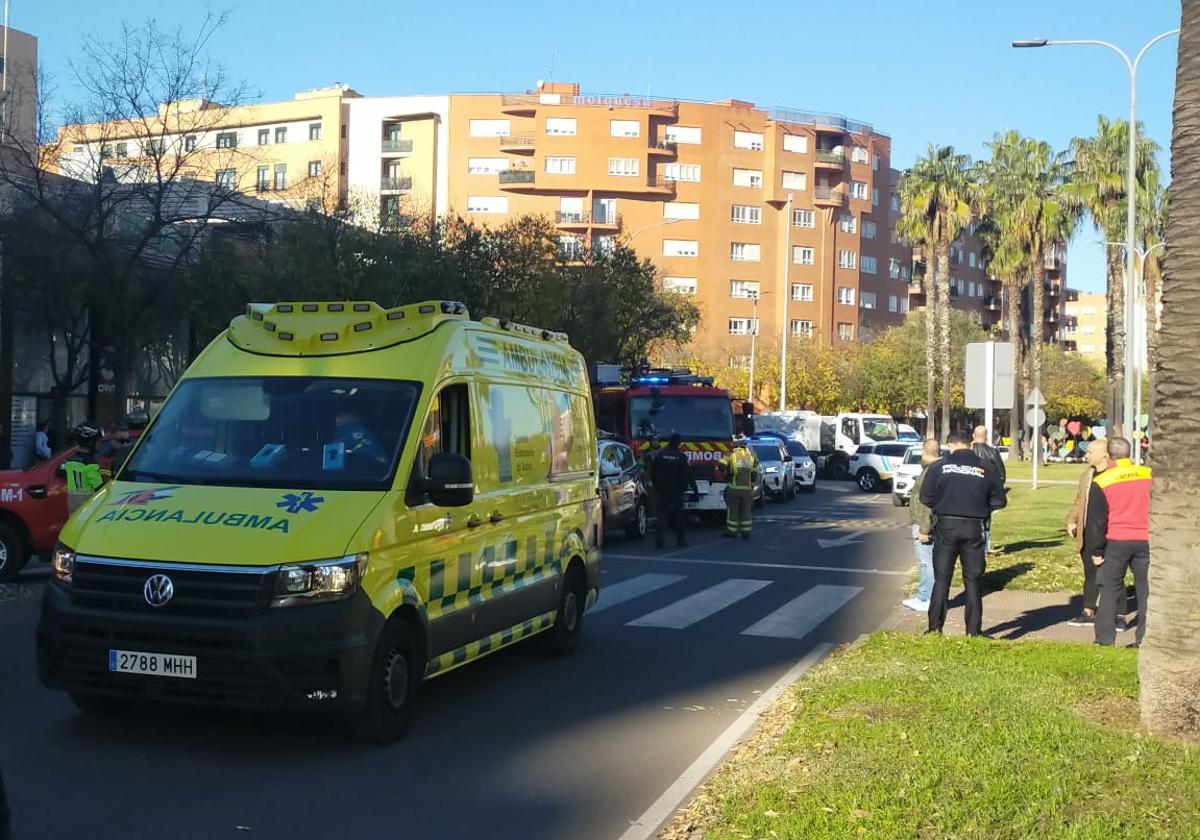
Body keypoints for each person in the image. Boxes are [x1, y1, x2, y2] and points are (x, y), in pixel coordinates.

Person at [920, 430, 1008, 636]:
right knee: (973, 580)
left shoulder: (938, 467)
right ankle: (973, 631)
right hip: (973, 527)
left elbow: (925, 497)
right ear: (970, 444)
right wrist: (982, 509)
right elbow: (1000, 501)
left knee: (942, 578)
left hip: (946, 526)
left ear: (950, 445)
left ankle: (934, 628)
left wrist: (943, 505)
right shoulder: (986, 468)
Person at [1083, 437, 1151, 647]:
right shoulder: (1148, 474)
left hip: (1117, 540)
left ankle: (1105, 638)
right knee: (1145, 590)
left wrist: (1096, 550)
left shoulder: (1103, 480)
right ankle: (1144, 638)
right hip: (1146, 540)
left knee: (1109, 589)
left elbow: (1096, 522)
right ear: (1129, 453)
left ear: (1109, 455)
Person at [1064, 439, 1112, 627]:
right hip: (1088, 531)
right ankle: (1088, 611)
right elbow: (1079, 501)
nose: (1087, 455)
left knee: (1110, 574)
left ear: (1104, 455)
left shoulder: (1113, 476)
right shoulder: (1087, 476)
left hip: (1109, 531)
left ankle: (1118, 614)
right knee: (1090, 572)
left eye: (1091, 452)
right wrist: (1071, 520)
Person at [902, 439, 943, 613]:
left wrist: (924, 529)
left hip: (923, 523)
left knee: (926, 562)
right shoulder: (937, 469)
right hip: (929, 522)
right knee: (930, 561)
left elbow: (927, 503)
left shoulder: (930, 471)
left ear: (924, 452)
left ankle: (925, 598)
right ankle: (929, 596)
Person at [970, 425, 1007, 554]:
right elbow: (1001, 474)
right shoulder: (993, 452)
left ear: (974, 436)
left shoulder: (968, 451)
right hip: (986, 492)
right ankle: (985, 547)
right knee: (985, 519)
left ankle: (971, 546)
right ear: (986, 437)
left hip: (970, 490)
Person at [650, 433, 690, 549]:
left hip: (663, 489)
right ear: (678, 443)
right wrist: (685, 487)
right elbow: (686, 475)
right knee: (679, 515)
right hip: (677, 491)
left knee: (662, 515)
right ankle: (681, 540)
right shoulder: (681, 457)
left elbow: (653, 471)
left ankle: (659, 540)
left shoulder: (661, 455)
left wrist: (657, 485)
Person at [717, 438, 759, 539]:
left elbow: (721, 465)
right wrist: (752, 486)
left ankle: (732, 531)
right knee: (746, 511)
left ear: (734, 446)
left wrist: (726, 473)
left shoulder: (731, 455)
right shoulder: (750, 457)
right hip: (747, 490)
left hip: (734, 488)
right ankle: (746, 531)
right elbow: (754, 473)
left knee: (733, 511)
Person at [63, 425, 104, 516]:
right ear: (90, 442)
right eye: (97, 441)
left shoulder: (70, 461)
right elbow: (99, 487)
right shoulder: (90, 463)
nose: (98, 444)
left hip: (72, 501)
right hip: (87, 502)